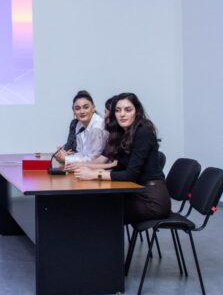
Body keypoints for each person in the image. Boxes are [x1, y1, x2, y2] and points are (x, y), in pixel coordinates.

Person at [68, 93, 170, 224]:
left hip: (152, 200)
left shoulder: (143, 132)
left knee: (99, 211)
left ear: (137, 111)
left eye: (128, 110)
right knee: (93, 203)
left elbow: (130, 174)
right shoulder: (123, 133)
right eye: (117, 110)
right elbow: (118, 166)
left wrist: (93, 174)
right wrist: (89, 169)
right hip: (136, 192)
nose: (122, 114)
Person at [53, 90, 106, 164]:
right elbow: (81, 154)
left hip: (101, 167)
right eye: (77, 108)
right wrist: (64, 156)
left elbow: (93, 159)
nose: (82, 111)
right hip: (87, 167)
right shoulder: (79, 124)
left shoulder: (97, 128)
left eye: (86, 107)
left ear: (93, 108)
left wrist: (66, 159)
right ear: (73, 111)